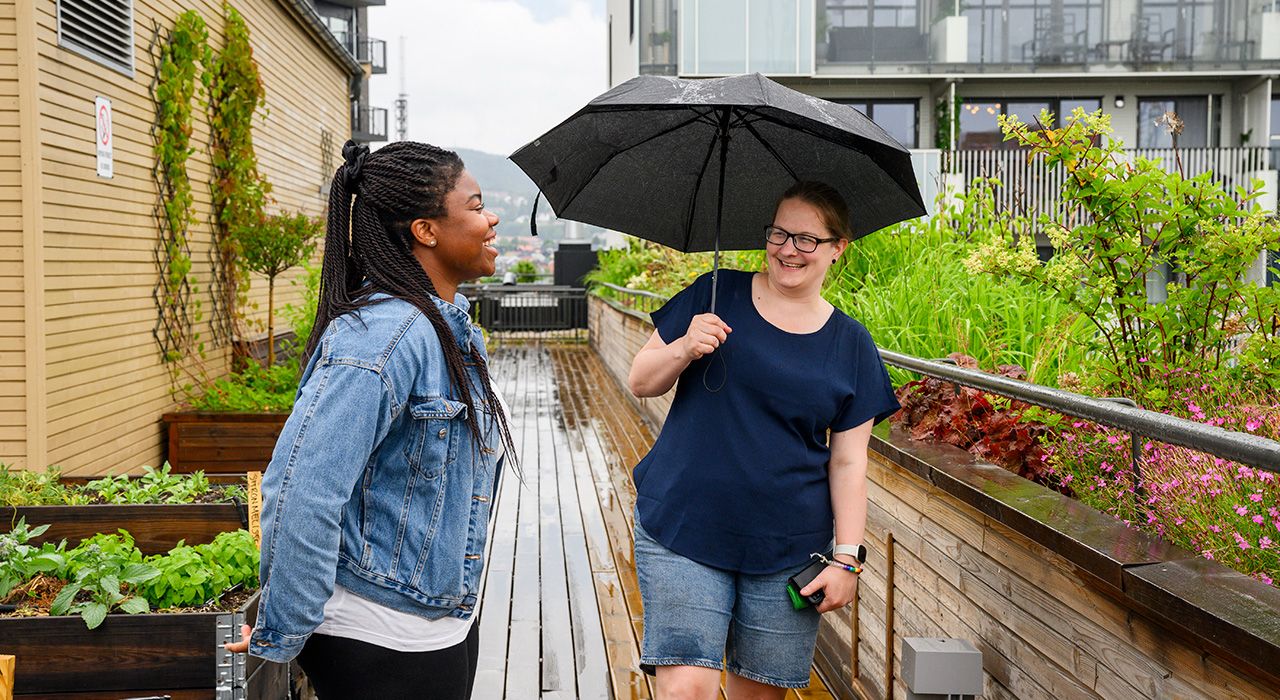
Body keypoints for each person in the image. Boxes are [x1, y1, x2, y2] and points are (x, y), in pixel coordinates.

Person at [224, 140, 516, 700]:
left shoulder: (445, 329)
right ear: (425, 230)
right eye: (477, 205)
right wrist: (282, 628)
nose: (492, 217)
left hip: (436, 623)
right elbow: (302, 488)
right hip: (380, 638)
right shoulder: (384, 338)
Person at [626, 181, 901, 699]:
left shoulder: (851, 345)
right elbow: (642, 381)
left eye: (806, 239)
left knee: (760, 694)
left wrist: (847, 560)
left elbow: (848, 464)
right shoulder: (717, 294)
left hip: (787, 545)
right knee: (686, 687)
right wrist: (685, 347)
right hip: (685, 524)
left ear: (838, 248)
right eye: (778, 233)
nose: (787, 249)